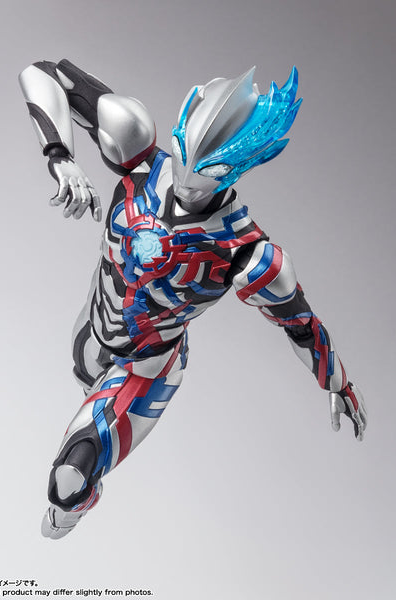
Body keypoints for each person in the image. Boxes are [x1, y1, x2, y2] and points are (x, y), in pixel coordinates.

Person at [19, 59, 367, 539]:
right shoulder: (139, 154)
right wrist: (59, 155)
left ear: (237, 167)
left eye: (210, 167)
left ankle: (70, 509)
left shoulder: (245, 252)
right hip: (89, 337)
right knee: (82, 399)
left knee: (68, 479)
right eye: (184, 148)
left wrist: (337, 382)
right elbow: (42, 73)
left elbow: (301, 325)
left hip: (145, 368)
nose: (187, 174)